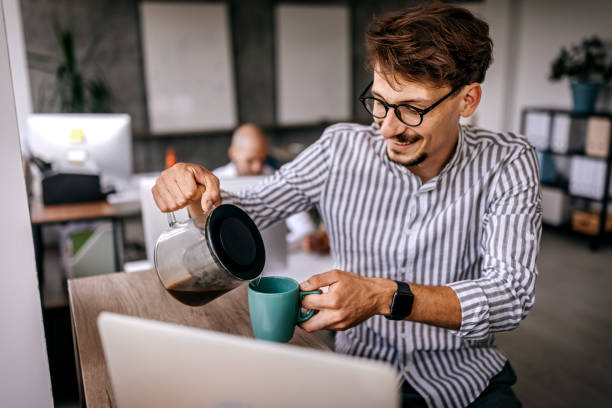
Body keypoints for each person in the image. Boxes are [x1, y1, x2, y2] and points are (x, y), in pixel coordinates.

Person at [152, 3, 541, 407]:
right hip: (356, 374)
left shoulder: (507, 161)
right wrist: (199, 197)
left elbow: (509, 295)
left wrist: (384, 296)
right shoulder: (339, 149)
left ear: (467, 100)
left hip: (464, 377)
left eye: (411, 108)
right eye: (378, 101)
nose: (387, 126)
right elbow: (252, 208)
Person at [212, 123, 322, 247]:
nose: (257, 167)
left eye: (262, 159)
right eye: (250, 160)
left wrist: (283, 245)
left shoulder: (277, 179)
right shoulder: (215, 182)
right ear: (233, 153)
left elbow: (305, 229)